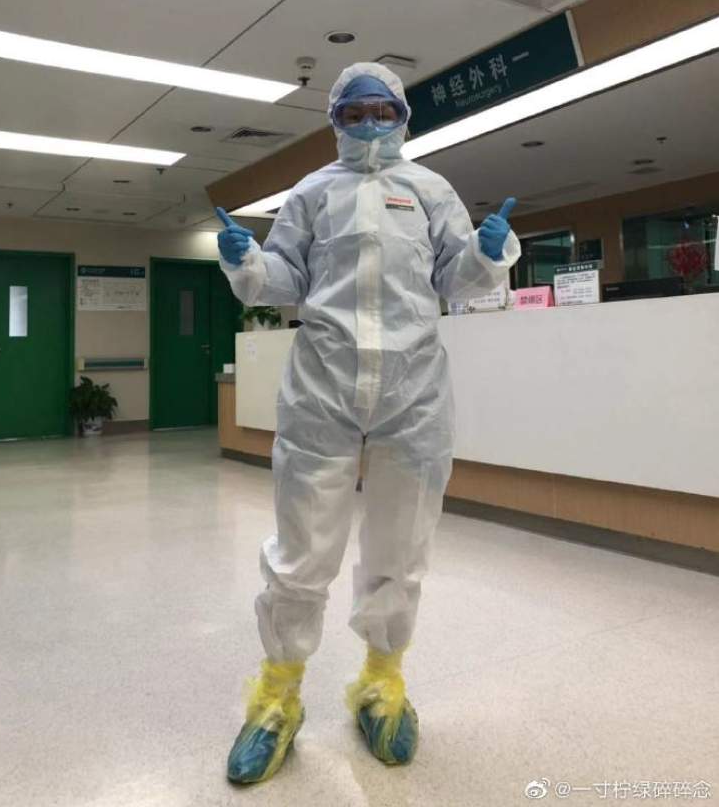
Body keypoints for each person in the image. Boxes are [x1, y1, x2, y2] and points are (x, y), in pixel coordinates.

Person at [216, 62, 520, 784]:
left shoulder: (431, 190)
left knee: (401, 546)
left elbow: (453, 279)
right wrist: (248, 261)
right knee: (301, 551)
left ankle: (382, 686)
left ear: (404, 116)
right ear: (334, 121)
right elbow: (285, 279)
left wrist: (484, 255)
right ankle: (277, 698)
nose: (370, 123)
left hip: (413, 393)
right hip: (322, 387)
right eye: (355, 113)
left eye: (383, 110)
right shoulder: (312, 193)